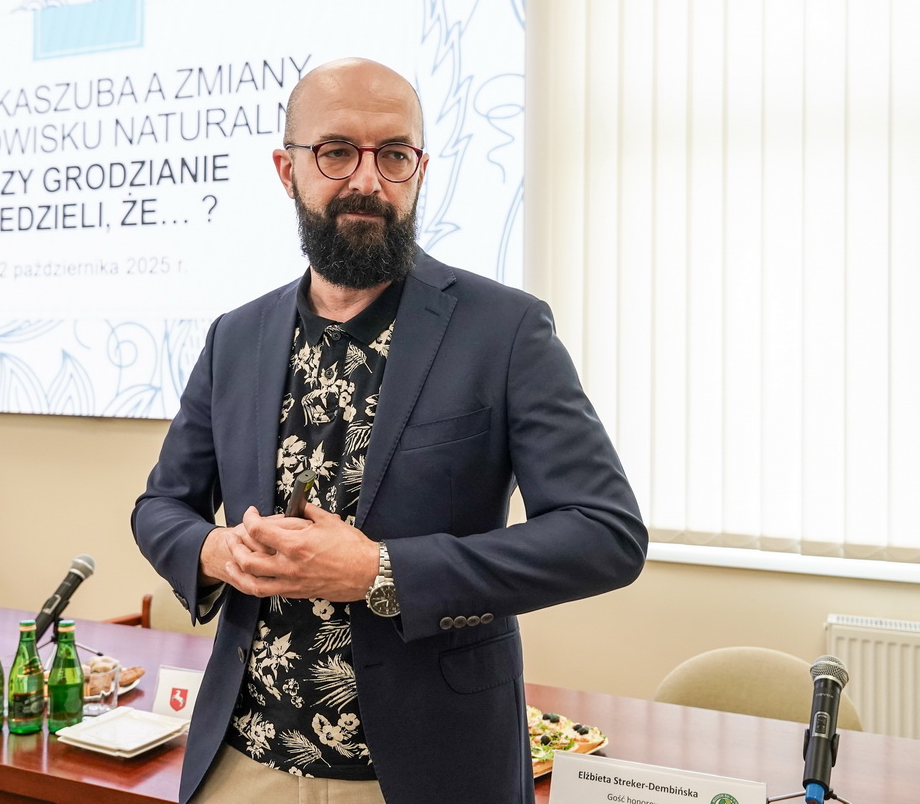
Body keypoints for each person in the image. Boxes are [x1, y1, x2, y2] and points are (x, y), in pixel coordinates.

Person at [131, 58, 647, 804]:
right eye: (337, 152)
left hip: (427, 772)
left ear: (420, 170)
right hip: (242, 760)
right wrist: (213, 552)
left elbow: (605, 534)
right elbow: (160, 507)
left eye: (395, 155)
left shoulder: (504, 331)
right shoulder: (234, 337)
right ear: (287, 170)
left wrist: (381, 571)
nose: (368, 180)